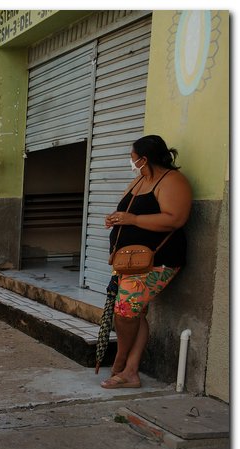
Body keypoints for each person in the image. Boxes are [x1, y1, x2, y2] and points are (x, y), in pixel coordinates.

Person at [101, 135, 191, 389]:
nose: (131, 162)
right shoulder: (140, 180)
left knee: (126, 311)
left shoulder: (172, 181)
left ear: (145, 158)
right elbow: (128, 212)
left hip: (158, 260)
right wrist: (115, 219)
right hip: (130, 262)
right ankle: (131, 371)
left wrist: (132, 221)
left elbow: (175, 219)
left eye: (133, 158)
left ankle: (121, 359)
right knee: (135, 313)